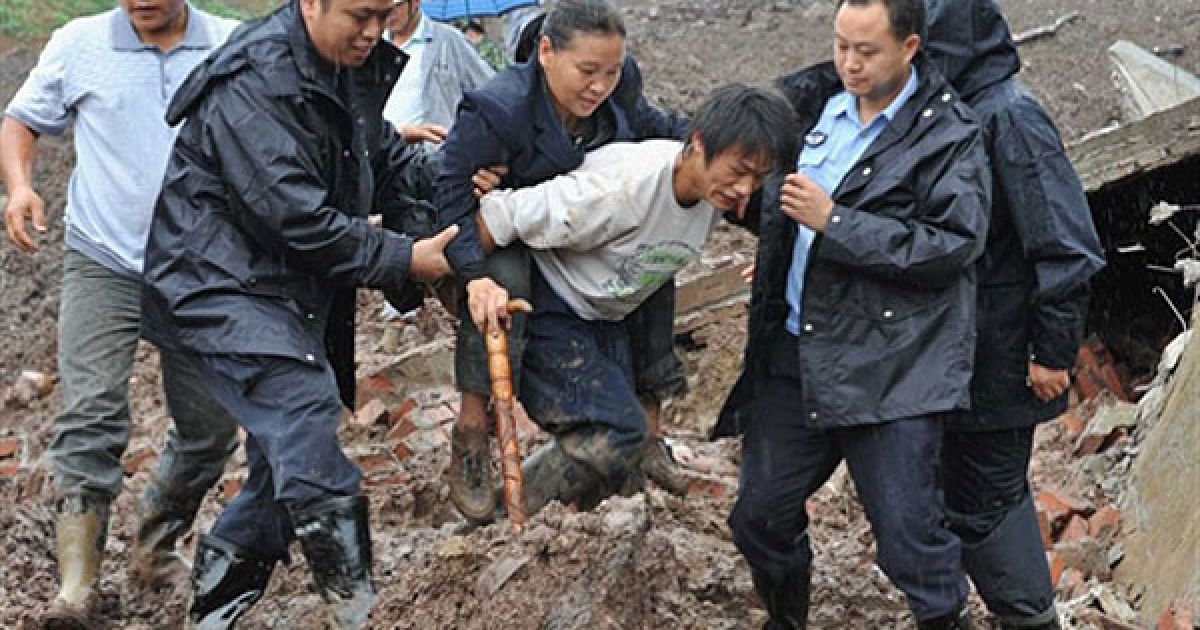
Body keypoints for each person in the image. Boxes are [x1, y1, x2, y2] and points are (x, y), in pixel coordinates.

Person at [138, 0, 456, 626]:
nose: (376, 31)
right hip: (219, 283)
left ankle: (211, 616)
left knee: (277, 474)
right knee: (303, 415)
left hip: (283, 287)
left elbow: (384, 160)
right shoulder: (258, 79)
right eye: (360, 15)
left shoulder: (345, 62)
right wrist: (404, 259)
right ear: (311, 3)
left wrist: (459, 172)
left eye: (385, 14)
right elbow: (294, 215)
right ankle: (361, 613)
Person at [712, 0, 993, 627]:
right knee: (758, 517)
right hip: (798, 349)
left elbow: (951, 244)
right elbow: (764, 191)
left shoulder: (949, 134)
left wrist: (834, 223)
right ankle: (789, 620)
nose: (849, 63)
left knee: (908, 545)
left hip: (892, 366)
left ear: (911, 47)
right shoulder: (811, 104)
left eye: (867, 51)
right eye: (841, 45)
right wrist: (786, 250)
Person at [0, 0, 239, 624]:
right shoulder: (78, 43)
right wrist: (21, 186)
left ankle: (155, 547)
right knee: (89, 417)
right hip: (101, 257)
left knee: (211, 428)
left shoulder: (230, 45)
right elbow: (21, 121)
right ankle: (75, 590)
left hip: (202, 265)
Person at [474, 84, 796, 516]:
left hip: (607, 310)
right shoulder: (620, 189)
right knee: (618, 431)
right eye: (739, 172)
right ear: (698, 143)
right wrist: (466, 282)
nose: (744, 189)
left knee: (623, 467)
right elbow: (499, 216)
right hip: (550, 301)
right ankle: (501, 521)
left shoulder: (715, 192)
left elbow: (781, 219)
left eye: (758, 178)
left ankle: (578, 539)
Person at [433, 0, 693, 525]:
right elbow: (449, 199)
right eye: (588, 72)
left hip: (570, 232)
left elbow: (652, 126)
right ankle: (472, 432)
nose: (599, 87)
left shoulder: (619, 92)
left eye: (611, 72)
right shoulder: (498, 108)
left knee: (653, 263)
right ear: (547, 53)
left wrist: (715, 139)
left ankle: (649, 432)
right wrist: (472, 276)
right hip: (493, 225)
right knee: (501, 283)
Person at [924, 1, 1105, 628]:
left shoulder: (1009, 116)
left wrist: (1054, 350)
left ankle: (1030, 619)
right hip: (957, 357)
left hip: (1000, 360)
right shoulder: (949, 113)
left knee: (987, 503)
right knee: (960, 497)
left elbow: (1066, 245)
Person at [382, 0, 494, 147]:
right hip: (383, 153)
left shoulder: (448, 40)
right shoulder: (374, 43)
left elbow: (489, 92)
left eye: (395, 7)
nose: (388, 15)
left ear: (415, 2)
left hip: (434, 152)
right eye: (382, 8)